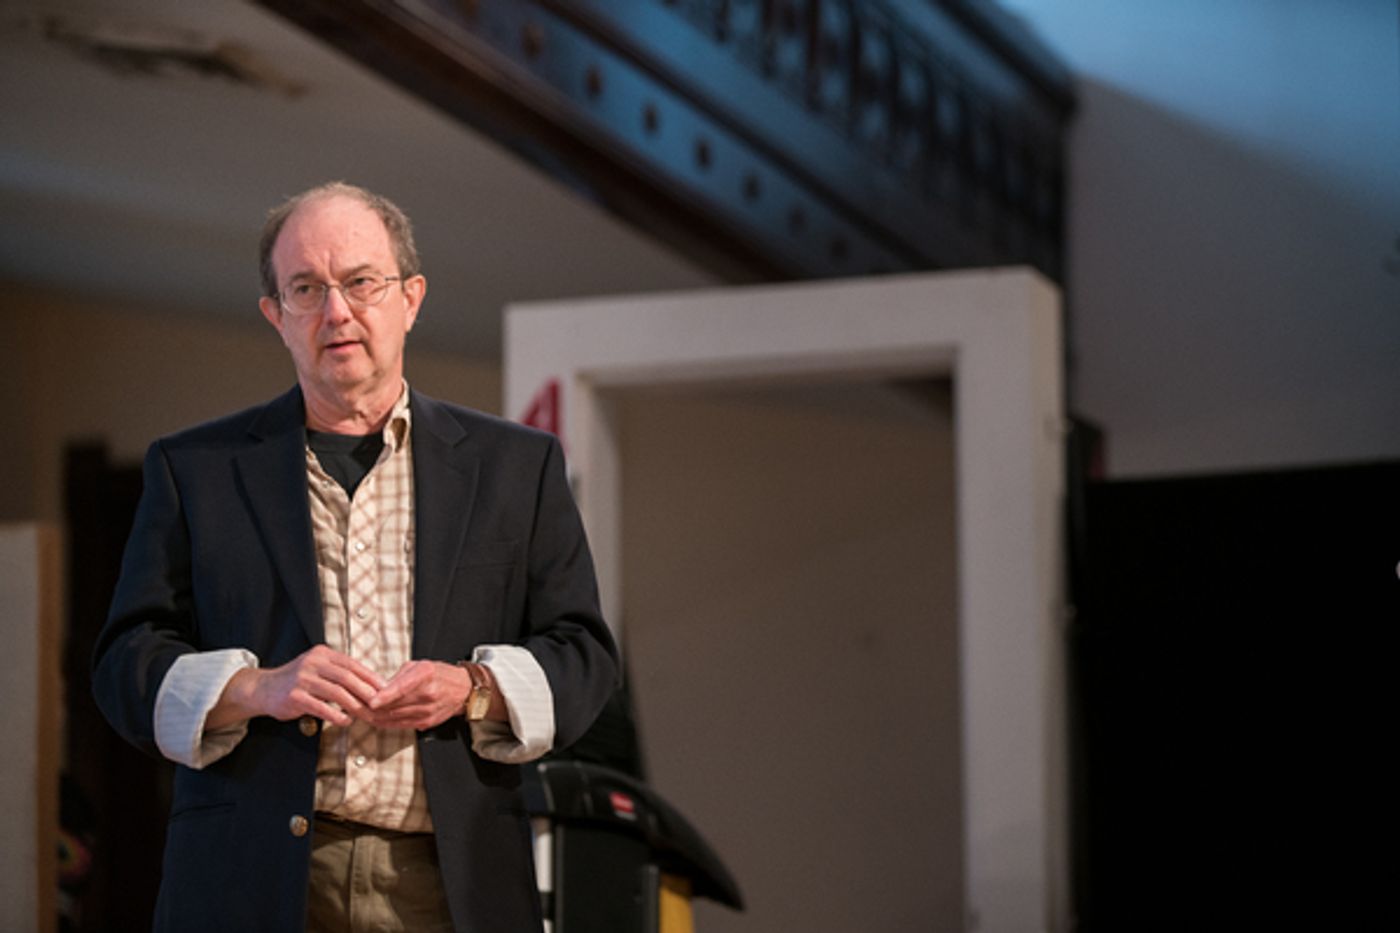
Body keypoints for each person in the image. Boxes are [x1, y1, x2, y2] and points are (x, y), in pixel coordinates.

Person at [92, 181, 618, 933]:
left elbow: (584, 654)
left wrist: (471, 686)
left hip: (452, 877)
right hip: (252, 879)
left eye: (361, 282)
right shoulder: (195, 469)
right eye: (306, 288)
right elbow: (123, 665)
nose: (336, 311)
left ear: (411, 297)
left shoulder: (516, 466)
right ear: (277, 316)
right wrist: (257, 687)